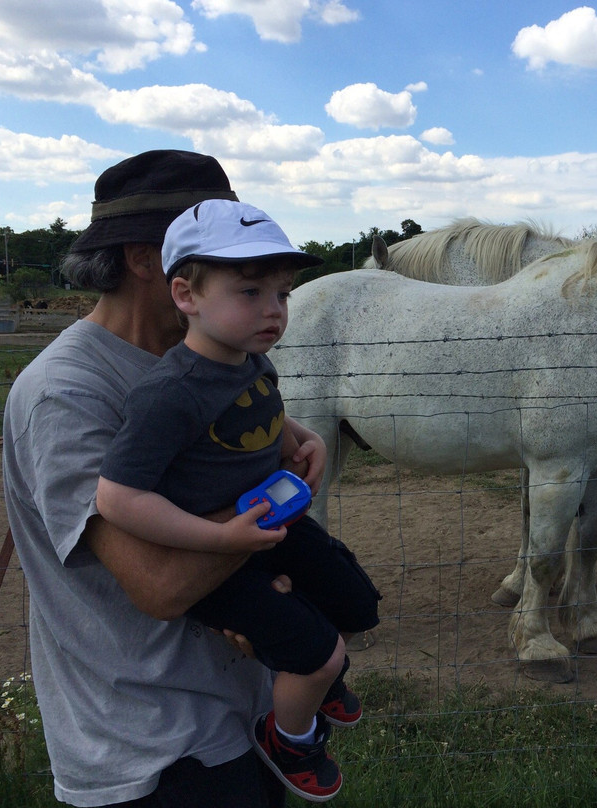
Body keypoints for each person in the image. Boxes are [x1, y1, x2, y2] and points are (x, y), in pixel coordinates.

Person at [2, 150, 351, 808]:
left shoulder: (197, 362)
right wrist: (270, 500)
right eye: (232, 266)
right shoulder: (67, 394)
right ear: (147, 260)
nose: (254, 287)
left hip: (230, 717)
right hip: (153, 753)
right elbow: (160, 584)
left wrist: (275, 437)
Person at [95, 199, 380, 802]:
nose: (273, 310)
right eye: (250, 292)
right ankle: (290, 739)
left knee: (357, 603)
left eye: (282, 294)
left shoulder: (251, 360)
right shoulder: (169, 392)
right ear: (186, 294)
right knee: (319, 653)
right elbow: (118, 498)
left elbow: (258, 413)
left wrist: (296, 439)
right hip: (215, 555)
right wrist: (222, 540)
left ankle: (316, 687)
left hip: (265, 524)